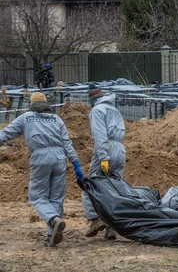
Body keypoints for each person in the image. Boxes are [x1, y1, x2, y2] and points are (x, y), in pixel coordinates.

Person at [0, 92, 84, 247]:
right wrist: (76, 164)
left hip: (41, 157)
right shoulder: (56, 119)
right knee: (56, 197)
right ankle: (51, 235)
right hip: (60, 157)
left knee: (38, 197)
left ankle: (53, 219)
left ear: (31, 104)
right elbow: (67, 143)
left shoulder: (26, 117)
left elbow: (5, 134)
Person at [82, 83, 126, 240]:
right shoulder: (115, 110)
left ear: (91, 99)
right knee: (114, 188)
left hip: (106, 149)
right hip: (120, 150)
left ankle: (95, 219)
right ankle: (111, 226)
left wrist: (104, 158)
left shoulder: (97, 111)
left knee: (91, 186)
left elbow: (101, 136)